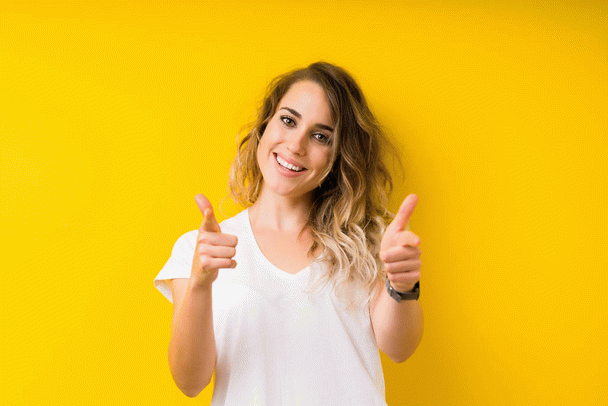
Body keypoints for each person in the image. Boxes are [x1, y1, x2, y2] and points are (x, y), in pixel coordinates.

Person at [154, 62, 423, 405]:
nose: (296, 145)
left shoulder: (367, 242)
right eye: (288, 120)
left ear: (338, 157)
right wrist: (199, 283)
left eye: (321, 136)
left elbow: (399, 349)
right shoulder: (198, 249)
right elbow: (190, 382)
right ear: (264, 125)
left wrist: (403, 285)